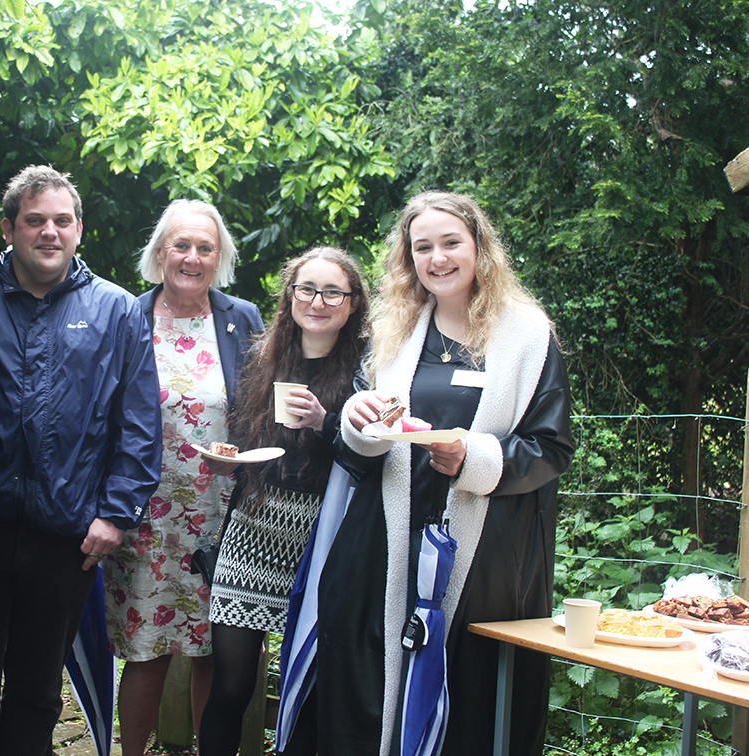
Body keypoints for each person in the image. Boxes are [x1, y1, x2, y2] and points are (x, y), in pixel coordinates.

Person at [313, 191, 575, 756]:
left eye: (451, 242)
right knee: (373, 692)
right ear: (409, 259)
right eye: (422, 247)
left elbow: (551, 449)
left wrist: (473, 459)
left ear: (480, 247)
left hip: (483, 560)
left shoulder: (529, 336)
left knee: (468, 699)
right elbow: (357, 451)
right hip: (386, 549)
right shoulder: (395, 333)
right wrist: (356, 422)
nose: (438, 258)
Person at [0, 165, 163, 756]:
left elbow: (138, 423)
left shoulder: (116, 310)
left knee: (37, 688)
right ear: (9, 228)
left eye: (62, 221)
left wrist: (116, 514)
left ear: (79, 229)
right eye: (34, 221)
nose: (49, 232)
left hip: (68, 535)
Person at [101, 199, 264, 755]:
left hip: (224, 512)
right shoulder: (128, 316)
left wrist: (246, 456)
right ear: (160, 252)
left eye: (205, 247)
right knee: (147, 649)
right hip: (146, 512)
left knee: (213, 651)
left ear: (219, 259)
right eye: (181, 245)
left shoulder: (241, 318)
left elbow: (259, 408)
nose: (192, 258)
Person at [200, 247, 370, 756]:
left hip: (322, 537)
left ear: (353, 303)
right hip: (252, 529)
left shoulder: (368, 368)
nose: (317, 301)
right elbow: (244, 439)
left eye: (332, 291)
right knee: (230, 687)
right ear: (289, 295)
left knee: (309, 689)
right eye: (306, 289)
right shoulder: (261, 356)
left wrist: (325, 421)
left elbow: (373, 460)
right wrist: (230, 460)